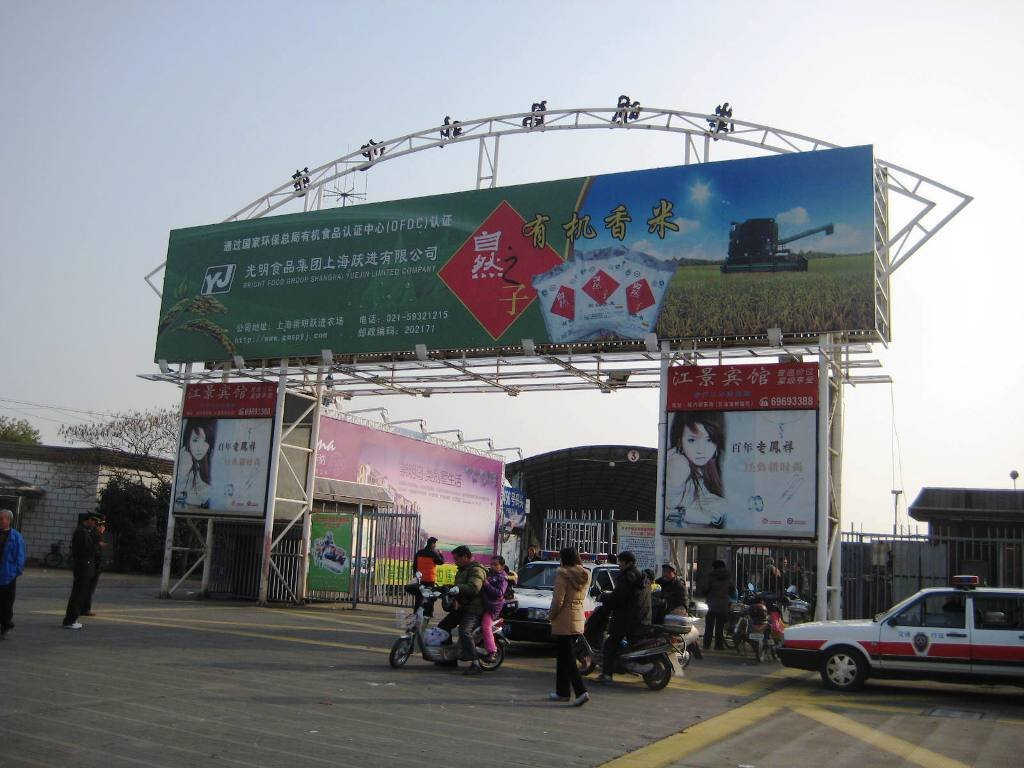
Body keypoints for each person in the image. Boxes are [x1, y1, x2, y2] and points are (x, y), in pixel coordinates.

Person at [596, 550, 651, 684]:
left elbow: (618, 597)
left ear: (629, 563)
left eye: (621, 561)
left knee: (610, 643)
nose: (619, 563)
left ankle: (607, 675)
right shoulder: (643, 576)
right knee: (627, 643)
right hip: (642, 617)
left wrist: (603, 597)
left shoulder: (627, 577)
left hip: (626, 618)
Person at [668, 411, 726, 528]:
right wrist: (708, 517)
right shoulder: (679, 464)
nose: (701, 449)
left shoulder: (706, 467)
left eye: (709, 440)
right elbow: (667, 511)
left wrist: (718, 513)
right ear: (680, 440)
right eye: (692, 440)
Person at [547, 546, 590, 707]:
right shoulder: (585, 574)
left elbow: (558, 600)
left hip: (564, 618)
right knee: (564, 656)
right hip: (578, 616)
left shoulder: (562, 574)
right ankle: (562, 691)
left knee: (567, 658)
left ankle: (581, 691)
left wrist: (551, 615)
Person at [437, 545, 488, 675]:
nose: (455, 562)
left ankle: (476, 664)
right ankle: (450, 658)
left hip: (473, 609)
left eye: (457, 559)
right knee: (443, 626)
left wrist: (458, 588)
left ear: (466, 557)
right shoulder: (462, 569)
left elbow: (474, 587)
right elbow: (458, 587)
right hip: (462, 607)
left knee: (464, 631)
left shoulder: (477, 570)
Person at [62, 512, 100, 629]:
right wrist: (97, 541)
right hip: (83, 567)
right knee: (78, 594)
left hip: (83, 567)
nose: (94, 524)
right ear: (88, 520)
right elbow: (87, 550)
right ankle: (70, 620)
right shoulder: (81, 532)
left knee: (79, 593)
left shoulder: (83, 531)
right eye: (94, 521)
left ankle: (71, 619)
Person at [175, 419, 215, 509]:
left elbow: (201, 486)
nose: (199, 447)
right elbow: (184, 492)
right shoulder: (186, 458)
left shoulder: (197, 463)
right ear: (188, 441)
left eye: (205, 441)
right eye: (195, 440)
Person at [0, 508, 26, 639]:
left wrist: (16, 572)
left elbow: (20, 556)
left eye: (3, 518)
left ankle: (5, 626)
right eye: (0, 518)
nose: (1, 521)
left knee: (6, 603)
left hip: (8, 575)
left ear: (9, 520)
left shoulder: (16, 536)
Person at [479, 555, 509, 663]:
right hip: (485, 603)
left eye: (495, 564)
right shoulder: (491, 573)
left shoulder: (503, 578)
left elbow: (499, 593)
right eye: (491, 564)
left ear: (502, 566)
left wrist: (486, 584)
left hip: (493, 606)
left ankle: (492, 652)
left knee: (486, 626)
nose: (492, 566)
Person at [701, 559, 735, 650]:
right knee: (720, 627)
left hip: (711, 605)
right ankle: (718, 645)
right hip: (723, 604)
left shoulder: (710, 575)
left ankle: (706, 644)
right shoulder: (728, 576)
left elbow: (705, 589)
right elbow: (732, 590)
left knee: (709, 626)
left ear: (714, 567)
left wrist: (707, 593)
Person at [81, 514, 107, 617]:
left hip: (93, 565)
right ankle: (85, 608)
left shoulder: (92, 533)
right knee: (89, 588)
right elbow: (95, 550)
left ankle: (84, 608)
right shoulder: (96, 534)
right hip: (94, 565)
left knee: (88, 588)